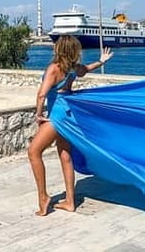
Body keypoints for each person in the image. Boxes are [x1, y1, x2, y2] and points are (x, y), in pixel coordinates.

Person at [27, 35, 113, 216]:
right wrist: (101, 61)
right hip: (68, 113)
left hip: (57, 115)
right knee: (65, 155)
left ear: (59, 49)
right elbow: (86, 69)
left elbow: (42, 95)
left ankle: (43, 198)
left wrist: (39, 115)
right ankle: (70, 201)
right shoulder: (72, 68)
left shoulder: (54, 68)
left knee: (34, 152)